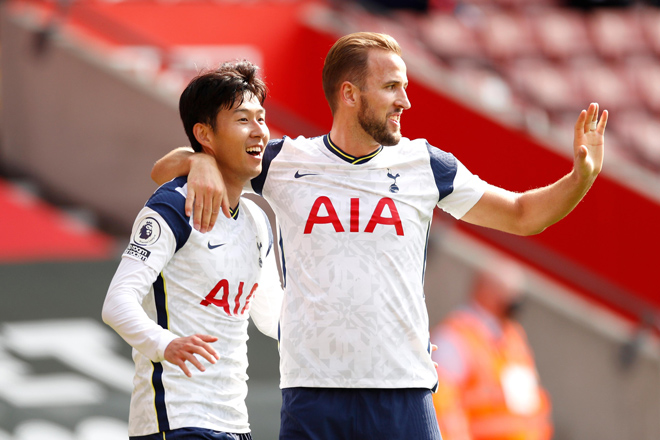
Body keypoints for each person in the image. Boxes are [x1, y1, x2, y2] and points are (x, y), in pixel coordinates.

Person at [150, 32, 607, 440]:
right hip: (313, 391)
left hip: (402, 391)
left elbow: (524, 215)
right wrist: (203, 161)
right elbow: (164, 168)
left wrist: (581, 177)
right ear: (350, 94)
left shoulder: (427, 165)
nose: (405, 101)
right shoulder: (283, 162)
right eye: (392, 87)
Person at [102, 60, 283, 440]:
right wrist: (166, 344)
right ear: (204, 133)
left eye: (261, 118)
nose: (259, 132)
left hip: (234, 422)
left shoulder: (256, 218)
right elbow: (117, 303)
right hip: (175, 419)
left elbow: (271, 317)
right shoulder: (172, 205)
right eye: (243, 119)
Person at [431, 261, 552, 440]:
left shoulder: (513, 338)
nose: (514, 299)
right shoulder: (454, 337)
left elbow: (530, 405)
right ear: (485, 290)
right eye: (508, 291)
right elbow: (442, 409)